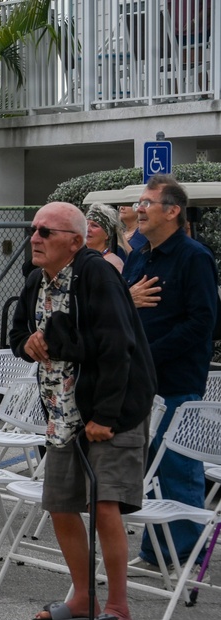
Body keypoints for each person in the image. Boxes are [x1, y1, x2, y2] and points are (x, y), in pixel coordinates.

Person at [11, 201, 155, 620]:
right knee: (60, 503)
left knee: (104, 505)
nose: (35, 237)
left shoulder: (96, 275)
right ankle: (82, 596)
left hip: (110, 410)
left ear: (75, 241)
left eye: (46, 232)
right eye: (34, 230)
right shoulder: (37, 279)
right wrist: (28, 345)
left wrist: (105, 417)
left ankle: (118, 608)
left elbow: (117, 347)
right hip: (61, 410)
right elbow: (16, 333)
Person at [122, 174, 217, 572]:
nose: (138, 209)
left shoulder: (194, 257)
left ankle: (182, 552)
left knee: (177, 464)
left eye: (147, 202)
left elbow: (203, 322)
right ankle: (154, 549)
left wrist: (149, 354)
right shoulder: (139, 255)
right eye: (139, 202)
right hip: (140, 380)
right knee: (149, 467)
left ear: (172, 210)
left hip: (176, 381)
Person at [84, 203, 127, 272]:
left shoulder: (113, 263)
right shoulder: (80, 257)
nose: (87, 229)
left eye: (94, 225)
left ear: (107, 234)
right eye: (86, 224)